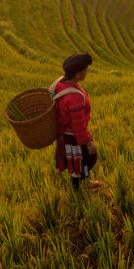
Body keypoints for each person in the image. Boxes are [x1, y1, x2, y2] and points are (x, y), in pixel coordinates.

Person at [52, 52, 103, 190]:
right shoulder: (75, 97)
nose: (87, 72)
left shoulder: (61, 84)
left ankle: (79, 186)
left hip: (66, 134)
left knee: (76, 164)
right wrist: (88, 142)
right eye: (85, 69)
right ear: (77, 74)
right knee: (88, 159)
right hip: (74, 136)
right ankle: (82, 186)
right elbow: (78, 125)